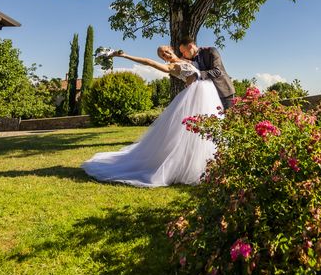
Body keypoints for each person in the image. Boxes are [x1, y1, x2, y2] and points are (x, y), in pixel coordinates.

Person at [82, 45, 221, 187]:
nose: (165, 54)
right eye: (162, 55)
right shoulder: (172, 66)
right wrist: (125, 56)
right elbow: (149, 62)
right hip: (195, 96)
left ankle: (204, 163)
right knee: (190, 131)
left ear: (172, 49)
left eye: (166, 51)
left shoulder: (184, 59)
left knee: (203, 130)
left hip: (204, 93)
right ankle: (187, 167)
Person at [179, 36, 235, 110]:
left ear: (190, 46)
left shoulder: (210, 51)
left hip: (223, 93)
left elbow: (217, 71)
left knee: (228, 119)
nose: (183, 55)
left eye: (183, 52)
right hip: (208, 97)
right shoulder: (190, 61)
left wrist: (196, 75)